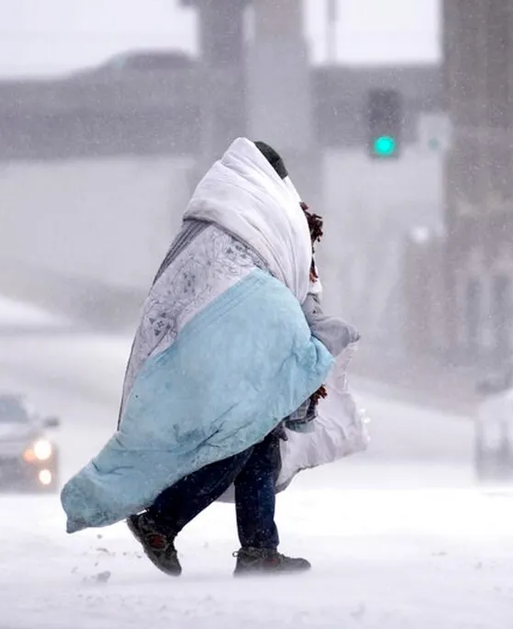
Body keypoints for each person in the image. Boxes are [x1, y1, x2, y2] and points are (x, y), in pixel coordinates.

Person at [59, 138, 362, 577]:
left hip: (209, 347)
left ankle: (259, 548)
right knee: (241, 437)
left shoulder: (214, 221)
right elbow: (283, 286)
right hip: (233, 349)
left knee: (258, 441)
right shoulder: (267, 217)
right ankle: (161, 521)